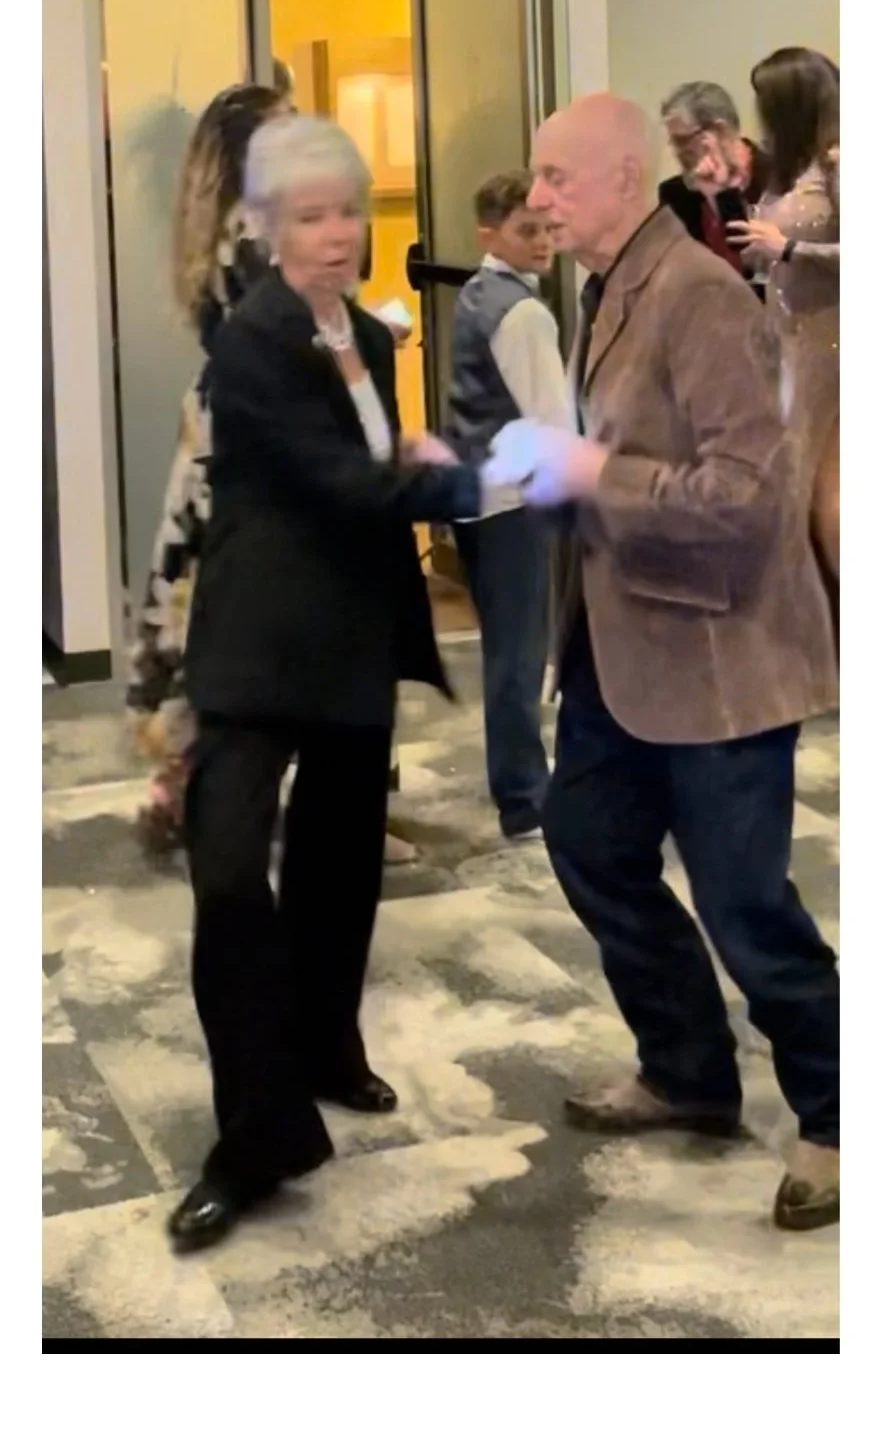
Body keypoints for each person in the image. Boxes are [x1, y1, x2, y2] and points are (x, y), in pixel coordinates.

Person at [491, 92, 839, 1232]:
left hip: (716, 654)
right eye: (535, 179)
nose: (536, 197)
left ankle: (836, 1112)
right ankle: (687, 1068)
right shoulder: (605, 289)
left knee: (745, 905)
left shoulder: (694, 295)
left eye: (555, 176)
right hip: (619, 647)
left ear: (623, 172)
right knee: (591, 845)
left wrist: (593, 475)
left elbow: (751, 496)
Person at [169, 113, 490, 1254]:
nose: (336, 233)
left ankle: (327, 1049)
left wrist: (420, 462)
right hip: (256, 649)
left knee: (338, 869)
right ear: (265, 227)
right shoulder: (249, 339)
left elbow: (377, 459)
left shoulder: (369, 330)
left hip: (352, 636)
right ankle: (252, 1134)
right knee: (226, 877)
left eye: (347, 210)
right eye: (310, 215)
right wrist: (462, 475)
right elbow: (338, 478)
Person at [128, 82, 416, 865]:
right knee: (307, 617)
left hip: (225, 442)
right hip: (263, 446)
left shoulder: (224, 234)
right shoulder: (255, 240)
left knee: (223, 624)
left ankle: (192, 781)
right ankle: (268, 798)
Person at [446, 171, 572, 840]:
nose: (545, 242)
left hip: (473, 494)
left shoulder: (474, 294)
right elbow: (550, 421)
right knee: (519, 653)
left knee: (506, 647)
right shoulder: (523, 313)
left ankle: (518, 780)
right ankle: (525, 795)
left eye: (550, 228)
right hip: (511, 499)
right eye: (529, 230)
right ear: (490, 232)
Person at [726, 48, 840, 600]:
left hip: (834, 340)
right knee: (792, 490)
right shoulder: (787, 169)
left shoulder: (841, 163)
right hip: (787, 338)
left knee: (830, 500)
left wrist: (788, 246)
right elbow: (765, 252)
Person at [659, 81, 769, 280]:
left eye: (682, 140)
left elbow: (751, 264)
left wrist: (722, 196)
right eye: (672, 141)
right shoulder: (675, 194)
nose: (676, 151)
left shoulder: (775, 175)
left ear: (720, 131)